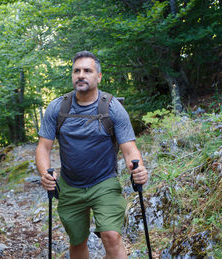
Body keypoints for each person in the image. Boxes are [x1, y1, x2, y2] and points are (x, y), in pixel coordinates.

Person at [35, 51, 148, 259]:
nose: (81, 75)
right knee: (77, 241)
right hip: (70, 186)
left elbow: (129, 149)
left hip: (104, 182)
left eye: (87, 70)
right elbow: (43, 147)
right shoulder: (57, 107)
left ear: (99, 76)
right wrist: (45, 174)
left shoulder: (112, 107)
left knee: (111, 235)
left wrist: (138, 169)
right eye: (76, 71)